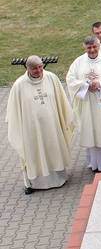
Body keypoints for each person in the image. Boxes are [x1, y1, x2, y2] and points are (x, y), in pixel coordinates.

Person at [7, 56, 74, 194]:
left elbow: (61, 100)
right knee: (34, 152)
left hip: (52, 125)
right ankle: (34, 183)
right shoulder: (19, 85)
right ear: (28, 69)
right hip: (31, 129)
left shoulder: (51, 78)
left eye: (40, 67)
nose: (38, 71)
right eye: (34, 69)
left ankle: (58, 179)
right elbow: (14, 110)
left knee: (53, 148)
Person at [66, 36, 101, 172]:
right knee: (90, 130)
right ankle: (94, 163)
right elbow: (70, 79)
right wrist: (85, 86)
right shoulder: (78, 62)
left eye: (94, 47)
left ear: (99, 46)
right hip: (87, 104)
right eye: (89, 48)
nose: (92, 50)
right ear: (85, 48)